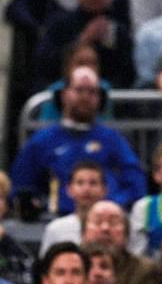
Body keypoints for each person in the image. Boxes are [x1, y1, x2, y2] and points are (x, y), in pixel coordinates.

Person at [10, 67, 145, 216]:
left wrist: (113, 203)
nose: (85, 97)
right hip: (54, 218)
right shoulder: (42, 141)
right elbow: (21, 186)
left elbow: (135, 184)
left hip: (104, 219)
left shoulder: (113, 139)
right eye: (79, 90)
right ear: (64, 94)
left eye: (92, 92)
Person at [81, 200, 162, 284]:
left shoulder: (144, 270)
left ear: (126, 235)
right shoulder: (68, 263)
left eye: (113, 223)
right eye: (98, 222)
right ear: (83, 233)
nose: (105, 228)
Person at [40, 162, 107, 256]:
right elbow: (46, 263)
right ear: (69, 189)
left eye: (93, 183)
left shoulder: (111, 228)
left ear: (104, 190)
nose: (86, 189)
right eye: (80, 183)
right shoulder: (55, 229)